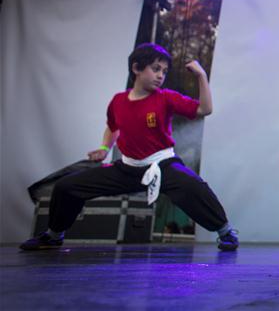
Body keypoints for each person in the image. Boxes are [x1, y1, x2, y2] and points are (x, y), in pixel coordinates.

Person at [20, 43, 238, 251]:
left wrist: (202, 76)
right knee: (66, 187)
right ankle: (54, 235)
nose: (161, 75)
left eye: (164, 70)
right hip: (127, 168)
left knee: (194, 187)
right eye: (155, 69)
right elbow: (112, 127)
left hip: (162, 165)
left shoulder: (166, 98)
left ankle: (226, 231)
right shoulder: (118, 101)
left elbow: (205, 109)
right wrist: (105, 149)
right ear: (136, 68)